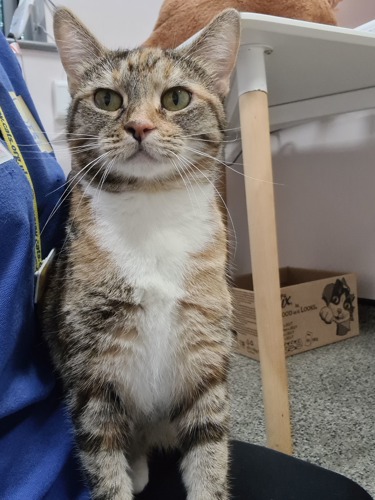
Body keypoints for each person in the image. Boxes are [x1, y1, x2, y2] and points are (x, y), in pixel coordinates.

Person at [0, 30, 372, 500]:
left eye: (174, 99)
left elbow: (207, 386)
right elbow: (87, 387)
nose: (140, 122)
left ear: (218, 86)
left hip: (168, 423)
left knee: (207, 384)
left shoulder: (211, 226)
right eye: (108, 99)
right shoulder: (82, 222)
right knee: (97, 392)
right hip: (79, 439)